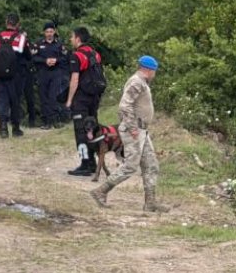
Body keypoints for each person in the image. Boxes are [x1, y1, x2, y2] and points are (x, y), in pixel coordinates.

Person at [91, 57, 166, 212]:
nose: (155, 74)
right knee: (130, 166)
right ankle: (101, 191)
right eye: (155, 71)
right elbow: (125, 105)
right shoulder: (136, 82)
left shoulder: (142, 82)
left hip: (142, 130)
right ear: (149, 69)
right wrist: (132, 127)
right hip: (135, 130)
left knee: (151, 165)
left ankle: (150, 203)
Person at [65, 27, 106, 176]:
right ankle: (93, 162)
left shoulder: (77, 56)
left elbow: (74, 79)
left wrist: (69, 100)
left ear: (78, 38)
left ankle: (84, 164)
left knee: (81, 130)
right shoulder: (95, 54)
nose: (70, 40)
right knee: (92, 129)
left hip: (81, 99)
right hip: (94, 98)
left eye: (72, 37)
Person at [0, 14, 28, 138]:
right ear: (17, 24)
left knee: (2, 101)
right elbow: (28, 56)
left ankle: (3, 129)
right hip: (16, 75)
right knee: (15, 101)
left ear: (6, 22)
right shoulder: (21, 38)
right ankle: (16, 129)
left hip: (0, 75)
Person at [35, 22, 67, 129]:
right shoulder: (39, 44)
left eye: (51, 31)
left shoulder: (59, 44)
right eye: (47, 32)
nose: (49, 34)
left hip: (55, 73)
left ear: (54, 32)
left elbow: (65, 58)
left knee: (53, 96)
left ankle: (56, 120)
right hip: (43, 73)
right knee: (44, 97)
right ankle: (46, 122)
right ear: (44, 33)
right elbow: (33, 58)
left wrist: (56, 60)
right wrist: (45, 61)